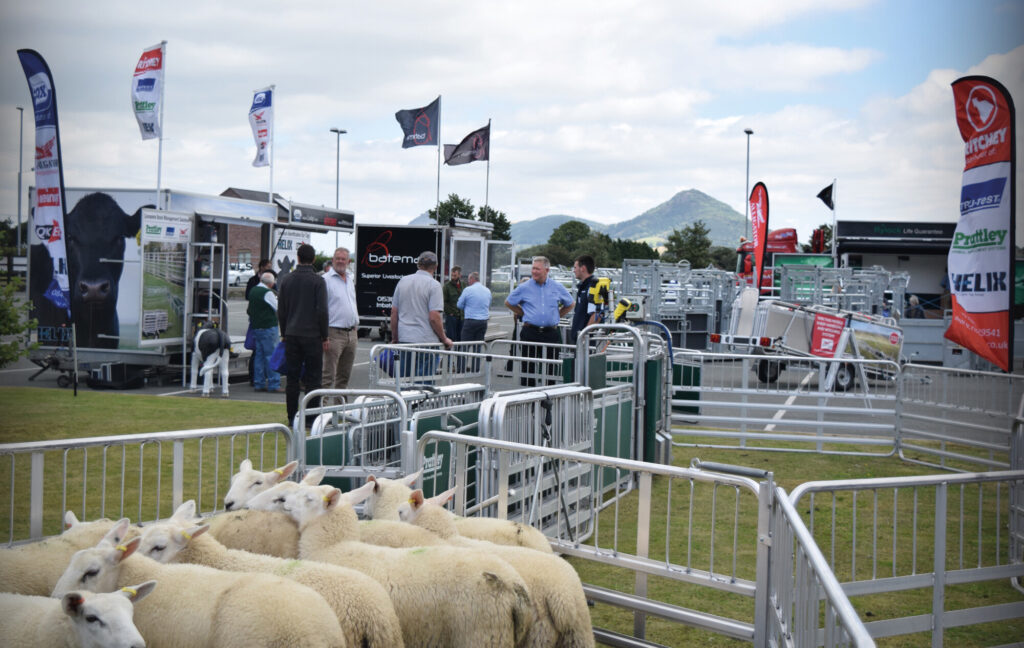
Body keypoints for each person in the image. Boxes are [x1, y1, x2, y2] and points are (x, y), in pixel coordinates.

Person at [277, 243, 328, 427]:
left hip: (291, 333)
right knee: (314, 378)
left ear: (297, 258)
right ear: (313, 259)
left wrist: (284, 331)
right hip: (312, 335)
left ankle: (292, 416)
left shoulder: (287, 280)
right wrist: (325, 335)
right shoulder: (318, 281)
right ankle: (311, 417)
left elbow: (281, 310)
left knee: (292, 378)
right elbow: (322, 310)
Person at [505, 256, 573, 386]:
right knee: (528, 368)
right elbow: (508, 302)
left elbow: (570, 303)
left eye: (537, 269)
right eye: (533, 268)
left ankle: (548, 399)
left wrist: (556, 316)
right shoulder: (524, 287)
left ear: (547, 270)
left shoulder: (557, 287)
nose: (534, 272)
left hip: (550, 333)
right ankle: (528, 399)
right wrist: (524, 313)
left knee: (551, 369)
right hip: (530, 332)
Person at [390, 251, 453, 378]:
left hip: (405, 339)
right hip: (426, 340)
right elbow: (434, 317)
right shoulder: (434, 285)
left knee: (404, 381)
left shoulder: (403, 281)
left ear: (418, 265)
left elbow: (394, 312)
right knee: (424, 384)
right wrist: (444, 338)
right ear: (435, 267)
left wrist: (395, 338)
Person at [322, 247, 359, 394]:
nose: (340, 261)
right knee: (327, 376)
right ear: (332, 260)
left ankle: (340, 411)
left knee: (344, 377)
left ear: (348, 261)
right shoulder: (325, 280)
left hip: (352, 334)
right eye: (337, 258)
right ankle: (321, 413)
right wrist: (324, 335)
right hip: (333, 333)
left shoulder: (350, 280)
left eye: (343, 259)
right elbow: (320, 309)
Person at [247, 272, 282, 393]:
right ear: (271, 283)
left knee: (259, 357)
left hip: (256, 327)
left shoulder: (253, 291)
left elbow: (249, 309)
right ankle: (274, 383)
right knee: (271, 356)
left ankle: (259, 383)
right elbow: (278, 307)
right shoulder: (268, 293)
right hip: (268, 327)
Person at [457, 271, 491, 371]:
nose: (468, 282)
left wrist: (467, 307)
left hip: (470, 320)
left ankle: (461, 368)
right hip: (483, 322)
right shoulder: (487, 290)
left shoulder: (468, 290)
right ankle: (475, 368)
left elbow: (459, 305)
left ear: (472, 279)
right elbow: (488, 304)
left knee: (464, 346)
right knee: (478, 346)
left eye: (468, 280)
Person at [569, 254, 600, 345]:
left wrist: (584, 336)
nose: (574, 270)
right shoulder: (584, 287)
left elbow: (597, 314)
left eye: (575, 267)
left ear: (582, 268)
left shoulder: (593, 287)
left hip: (586, 342)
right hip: (581, 339)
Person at [442, 265, 464, 343]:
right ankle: (449, 355)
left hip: (461, 316)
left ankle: (460, 355)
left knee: (460, 338)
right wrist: (449, 312)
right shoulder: (447, 286)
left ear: (459, 275)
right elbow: (443, 301)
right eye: (452, 275)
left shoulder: (463, 285)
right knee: (451, 338)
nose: (453, 277)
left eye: (455, 275)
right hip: (452, 316)